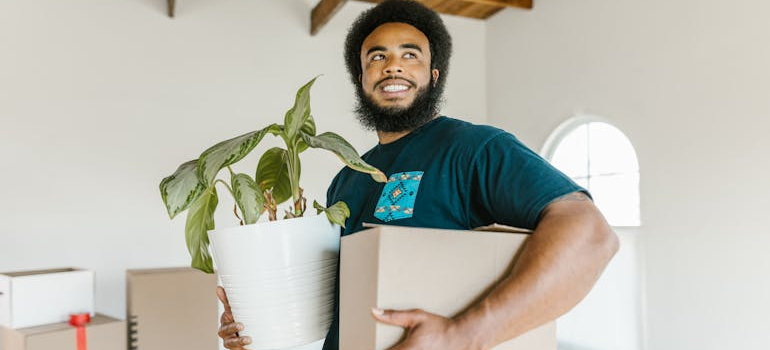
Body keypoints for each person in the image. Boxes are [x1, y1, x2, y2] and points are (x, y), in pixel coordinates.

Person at [217, 1, 619, 349]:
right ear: (362, 80)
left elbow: (591, 235)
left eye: (410, 55)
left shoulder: (474, 148)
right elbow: (336, 304)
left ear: (434, 75)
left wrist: (464, 336)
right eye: (377, 56)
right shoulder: (348, 178)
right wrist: (259, 325)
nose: (393, 65)